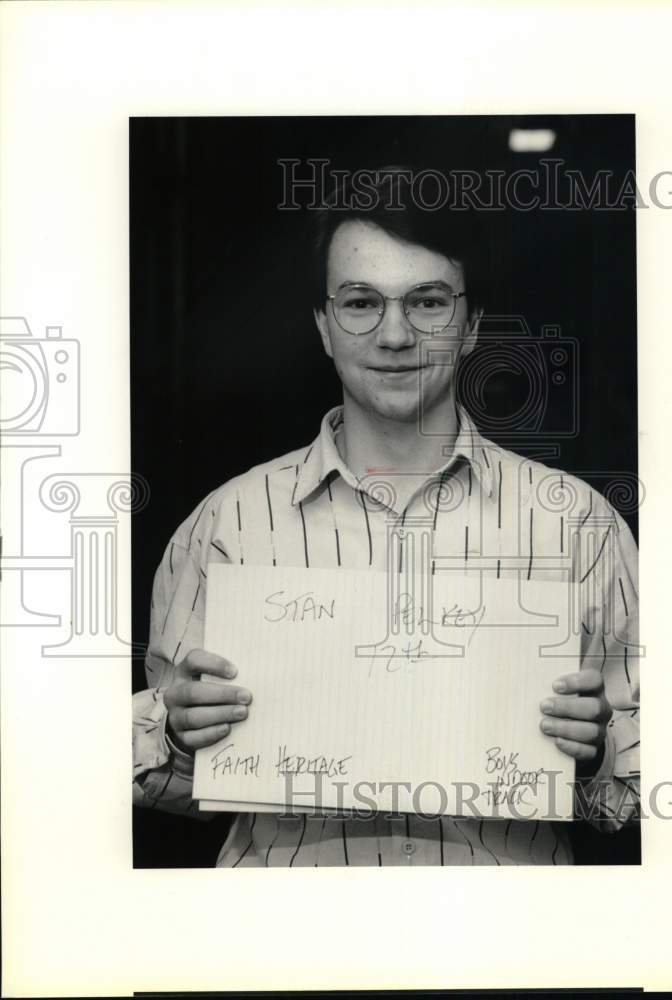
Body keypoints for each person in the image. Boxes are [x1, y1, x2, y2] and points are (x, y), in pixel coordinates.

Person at [133, 166, 640, 866]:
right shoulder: (226, 525)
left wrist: (595, 755)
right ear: (323, 326)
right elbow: (160, 782)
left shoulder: (578, 526)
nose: (395, 334)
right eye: (361, 303)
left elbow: (642, 790)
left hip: (504, 953)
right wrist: (179, 736)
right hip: (282, 953)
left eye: (428, 302)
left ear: (470, 327)